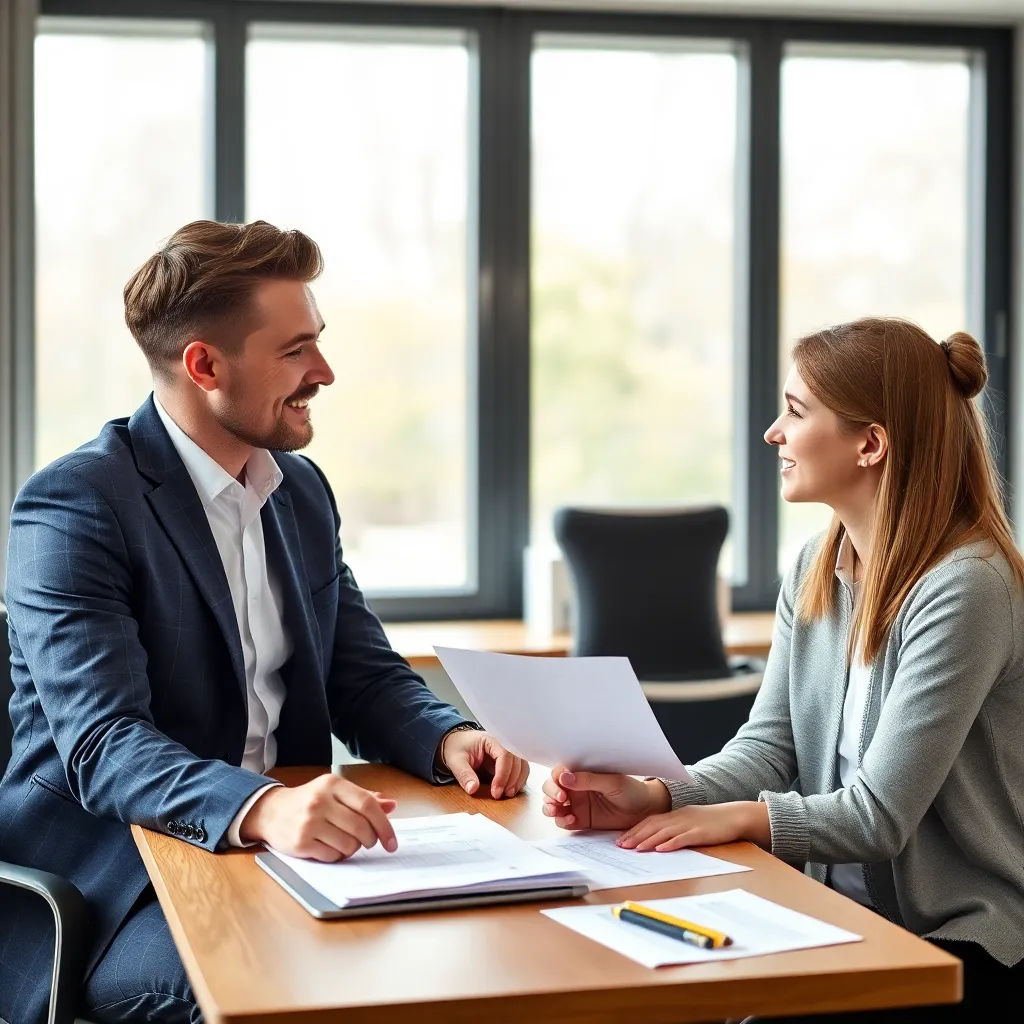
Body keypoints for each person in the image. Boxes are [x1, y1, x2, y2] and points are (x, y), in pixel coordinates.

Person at [0, 220, 529, 1024]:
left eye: (317, 342)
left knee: (476, 958)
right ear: (204, 365)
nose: (324, 372)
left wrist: (445, 737)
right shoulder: (76, 505)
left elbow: (359, 673)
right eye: (295, 352)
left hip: (286, 858)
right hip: (119, 883)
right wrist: (264, 807)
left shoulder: (299, 492)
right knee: (290, 995)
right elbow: (104, 743)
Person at [542, 318, 1024, 1022]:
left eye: (796, 412)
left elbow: (877, 819)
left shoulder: (968, 586)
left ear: (870, 444)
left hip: (957, 938)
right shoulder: (814, 568)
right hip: (840, 916)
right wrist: (658, 796)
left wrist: (729, 818)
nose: (773, 432)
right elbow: (771, 747)